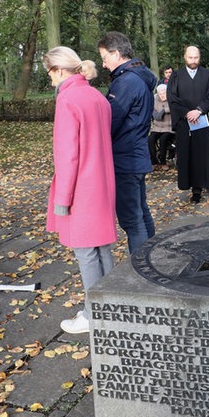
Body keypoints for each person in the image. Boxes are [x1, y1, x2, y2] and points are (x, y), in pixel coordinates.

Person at [43, 47, 116, 335]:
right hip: (102, 182)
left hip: (81, 187)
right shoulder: (97, 96)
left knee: (86, 251)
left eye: (49, 72)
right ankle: (110, 308)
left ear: (60, 70)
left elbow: (66, 154)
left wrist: (62, 199)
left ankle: (92, 315)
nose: (49, 79)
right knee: (102, 249)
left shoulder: (68, 98)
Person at [98, 32, 157, 254]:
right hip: (136, 155)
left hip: (125, 159)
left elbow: (109, 121)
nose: (103, 65)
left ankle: (139, 268)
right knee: (141, 212)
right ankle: (151, 258)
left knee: (132, 220)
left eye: (104, 58)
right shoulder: (139, 77)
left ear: (116, 53)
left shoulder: (126, 82)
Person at [167, 46, 209, 203]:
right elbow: (172, 98)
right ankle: (195, 189)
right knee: (190, 156)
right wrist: (187, 113)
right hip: (186, 124)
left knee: (208, 155)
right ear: (184, 57)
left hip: (204, 122)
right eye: (190, 57)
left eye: (196, 58)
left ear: (200, 57)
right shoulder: (176, 76)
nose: (193, 61)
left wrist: (199, 110)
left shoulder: (208, 75)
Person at [149, 84, 174, 170]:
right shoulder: (154, 100)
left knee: (163, 139)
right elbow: (156, 116)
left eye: (164, 93)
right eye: (160, 93)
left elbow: (174, 109)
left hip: (169, 127)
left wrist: (164, 110)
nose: (162, 95)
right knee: (150, 139)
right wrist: (163, 112)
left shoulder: (171, 99)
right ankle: (154, 162)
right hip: (157, 127)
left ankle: (163, 162)